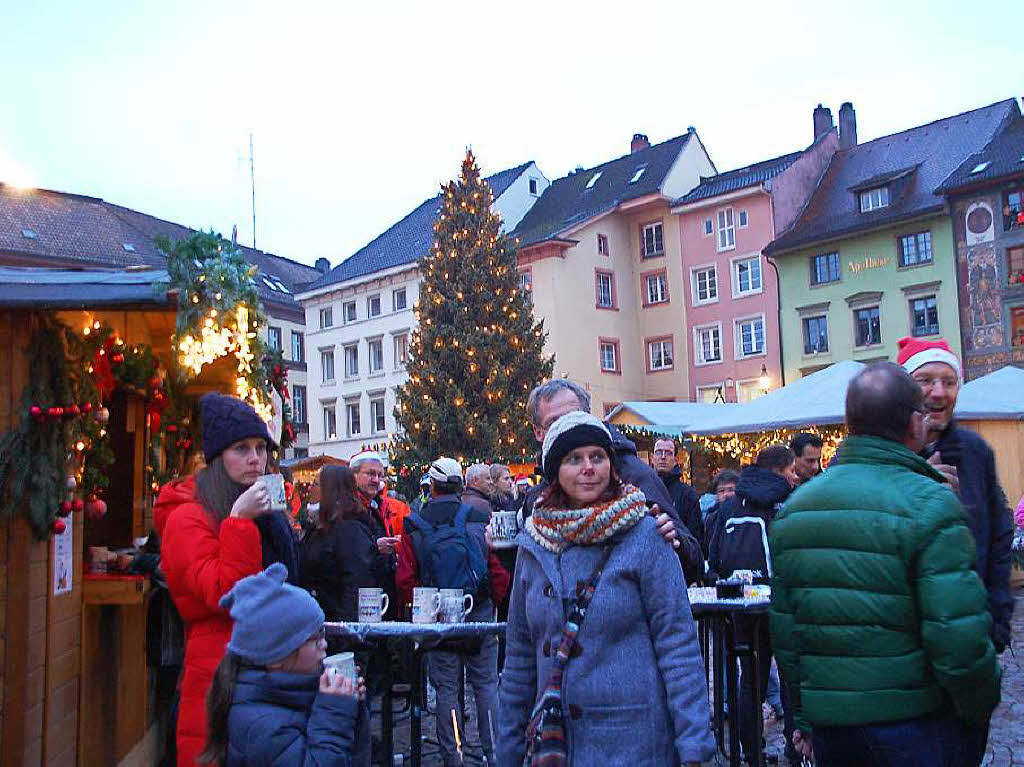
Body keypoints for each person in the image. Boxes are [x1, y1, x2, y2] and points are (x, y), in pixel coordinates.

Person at [771, 362, 1001, 766]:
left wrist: (806, 719)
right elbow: (958, 638)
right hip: (916, 724)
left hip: (836, 731)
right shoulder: (930, 502)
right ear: (915, 422)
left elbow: (788, 635)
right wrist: (978, 706)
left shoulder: (796, 509)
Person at [497, 412, 714, 766]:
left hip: (634, 743)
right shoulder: (534, 544)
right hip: (557, 746)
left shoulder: (645, 535)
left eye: (597, 457)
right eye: (574, 459)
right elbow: (520, 655)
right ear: (555, 472)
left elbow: (677, 645)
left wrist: (694, 745)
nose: (588, 468)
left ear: (611, 466)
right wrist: (507, 748)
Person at [155, 393, 277, 767]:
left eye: (261, 447)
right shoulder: (186, 518)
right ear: (217, 457)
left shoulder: (254, 506)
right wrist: (239, 524)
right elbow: (227, 595)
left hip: (259, 669)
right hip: (216, 671)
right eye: (241, 448)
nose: (256, 458)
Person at [520, 379, 704, 583]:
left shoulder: (633, 474)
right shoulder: (538, 496)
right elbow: (523, 580)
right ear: (538, 432)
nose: (567, 428)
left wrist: (674, 541)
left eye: (574, 417)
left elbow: (692, 561)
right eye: (555, 422)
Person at [897, 336, 1014, 653]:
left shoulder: (974, 451)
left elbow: (1000, 533)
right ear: (902, 391)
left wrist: (997, 619)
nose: (938, 392)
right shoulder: (881, 453)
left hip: (970, 629)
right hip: (905, 639)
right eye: (925, 380)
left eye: (949, 382)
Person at [397, 457, 510, 767]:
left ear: (430, 486)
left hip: (438, 617)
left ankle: (454, 756)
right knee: (486, 686)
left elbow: (405, 579)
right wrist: (495, 604)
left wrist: (419, 613)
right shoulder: (477, 517)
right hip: (479, 615)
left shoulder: (413, 523)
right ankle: (495, 754)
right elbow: (496, 569)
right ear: (460, 485)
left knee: (447, 689)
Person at [200, 563, 363, 766]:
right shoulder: (261, 725)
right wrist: (335, 712)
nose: (325, 645)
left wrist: (349, 706)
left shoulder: (287, 696)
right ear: (278, 657)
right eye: (315, 640)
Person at [707, 445, 797, 765]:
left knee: (750, 679)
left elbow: (714, 556)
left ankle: (749, 750)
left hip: (741, 601)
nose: (794, 476)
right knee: (789, 677)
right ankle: (794, 747)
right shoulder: (787, 500)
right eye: (791, 471)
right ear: (779, 470)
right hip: (780, 602)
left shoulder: (731, 505)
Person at [300, 465, 394, 625]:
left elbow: (355, 584)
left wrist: (345, 634)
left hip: (339, 630)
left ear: (329, 489)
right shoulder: (321, 527)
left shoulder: (349, 530)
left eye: (316, 484)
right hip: (323, 623)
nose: (311, 489)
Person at [349, 451, 398, 619]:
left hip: (379, 594)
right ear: (353, 475)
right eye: (370, 474)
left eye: (380, 475)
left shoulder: (378, 507)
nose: (376, 480)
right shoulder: (346, 508)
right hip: (359, 601)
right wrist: (376, 548)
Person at [651, 436, 704, 543]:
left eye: (668, 453)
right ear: (652, 458)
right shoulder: (643, 490)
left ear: (676, 460)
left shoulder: (688, 495)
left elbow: (695, 537)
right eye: (658, 452)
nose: (663, 457)